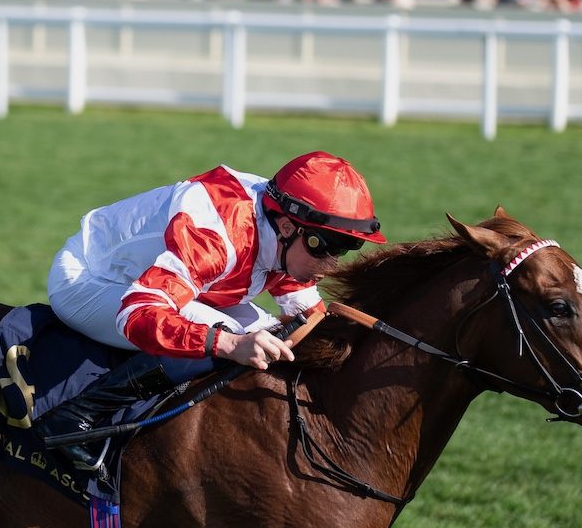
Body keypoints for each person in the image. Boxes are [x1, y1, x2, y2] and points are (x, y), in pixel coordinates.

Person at [39, 151, 385, 469]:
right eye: (326, 247)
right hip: (92, 281)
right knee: (238, 336)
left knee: (275, 337)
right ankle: (75, 417)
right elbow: (138, 314)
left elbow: (305, 309)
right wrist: (228, 345)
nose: (331, 264)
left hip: (182, 286)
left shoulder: (279, 229)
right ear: (287, 226)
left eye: (345, 248)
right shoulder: (216, 237)